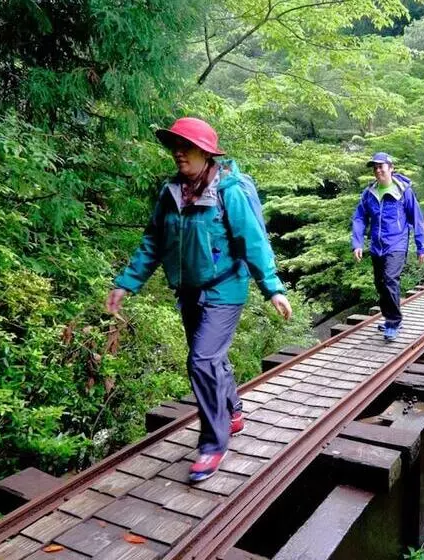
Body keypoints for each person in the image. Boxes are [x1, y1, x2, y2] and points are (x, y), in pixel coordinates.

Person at [105, 117, 292, 483]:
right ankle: (233, 409)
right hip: (189, 291)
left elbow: (253, 242)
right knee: (211, 358)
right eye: (175, 146)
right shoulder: (171, 192)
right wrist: (126, 283)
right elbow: (153, 243)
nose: (178, 153)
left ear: (206, 153)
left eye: (186, 146)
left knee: (201, 359)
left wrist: (273, 288)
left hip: (225, 289)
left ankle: (213, 443)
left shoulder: (229, 191)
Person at [352, 152, 424, 341]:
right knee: (380, 283)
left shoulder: (404, 191)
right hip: (377, 246)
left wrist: (421, 246)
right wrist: (357, 243)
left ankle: (393, 322)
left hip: (397, 243)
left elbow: (416, 219)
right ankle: (389, 319)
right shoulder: (369, 193)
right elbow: (360, 218)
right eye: (375, 167)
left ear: (391, 168)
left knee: (389, 279)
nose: (378, 170)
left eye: (381, 166)